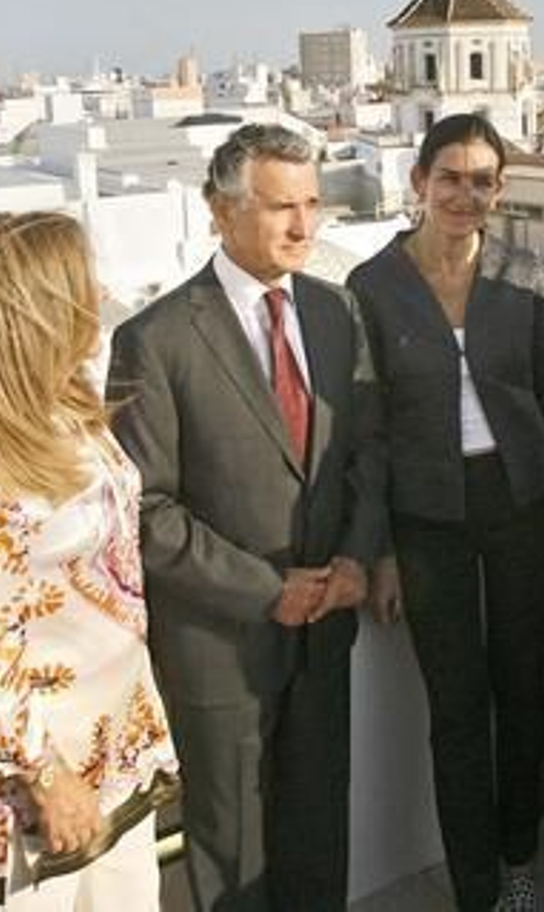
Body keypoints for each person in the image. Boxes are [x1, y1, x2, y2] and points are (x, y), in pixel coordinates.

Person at [107, 123, 385, 911]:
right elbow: (145, 509)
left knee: (318, 838)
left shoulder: (337, 313)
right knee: (231, 857)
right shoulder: (154, 340)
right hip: (221, 652)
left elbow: (370, 454)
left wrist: (358, 562)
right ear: (219, 211)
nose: (303, 226)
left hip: (325, 630)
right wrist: (268, 589)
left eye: (312, 205)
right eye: (278, 208)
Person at [0, 212, 179, 909]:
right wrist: (47, 778)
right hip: (38, 793)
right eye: (79, 284)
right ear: (32, 313)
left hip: (113, 750)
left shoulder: (65, 409)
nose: (99, 293)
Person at [347, 113, 544, 912]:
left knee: (524, 692)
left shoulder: (523, 274)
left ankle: (518, 861)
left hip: (525, 507)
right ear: (419, 182)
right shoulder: (372, 286)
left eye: (483, 181)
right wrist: (380, 550)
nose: (466, 194)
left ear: (499, 191)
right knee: (458, 709)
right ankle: (477, 887)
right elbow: (365, 429)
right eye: (451, 178)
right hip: (426, 519)